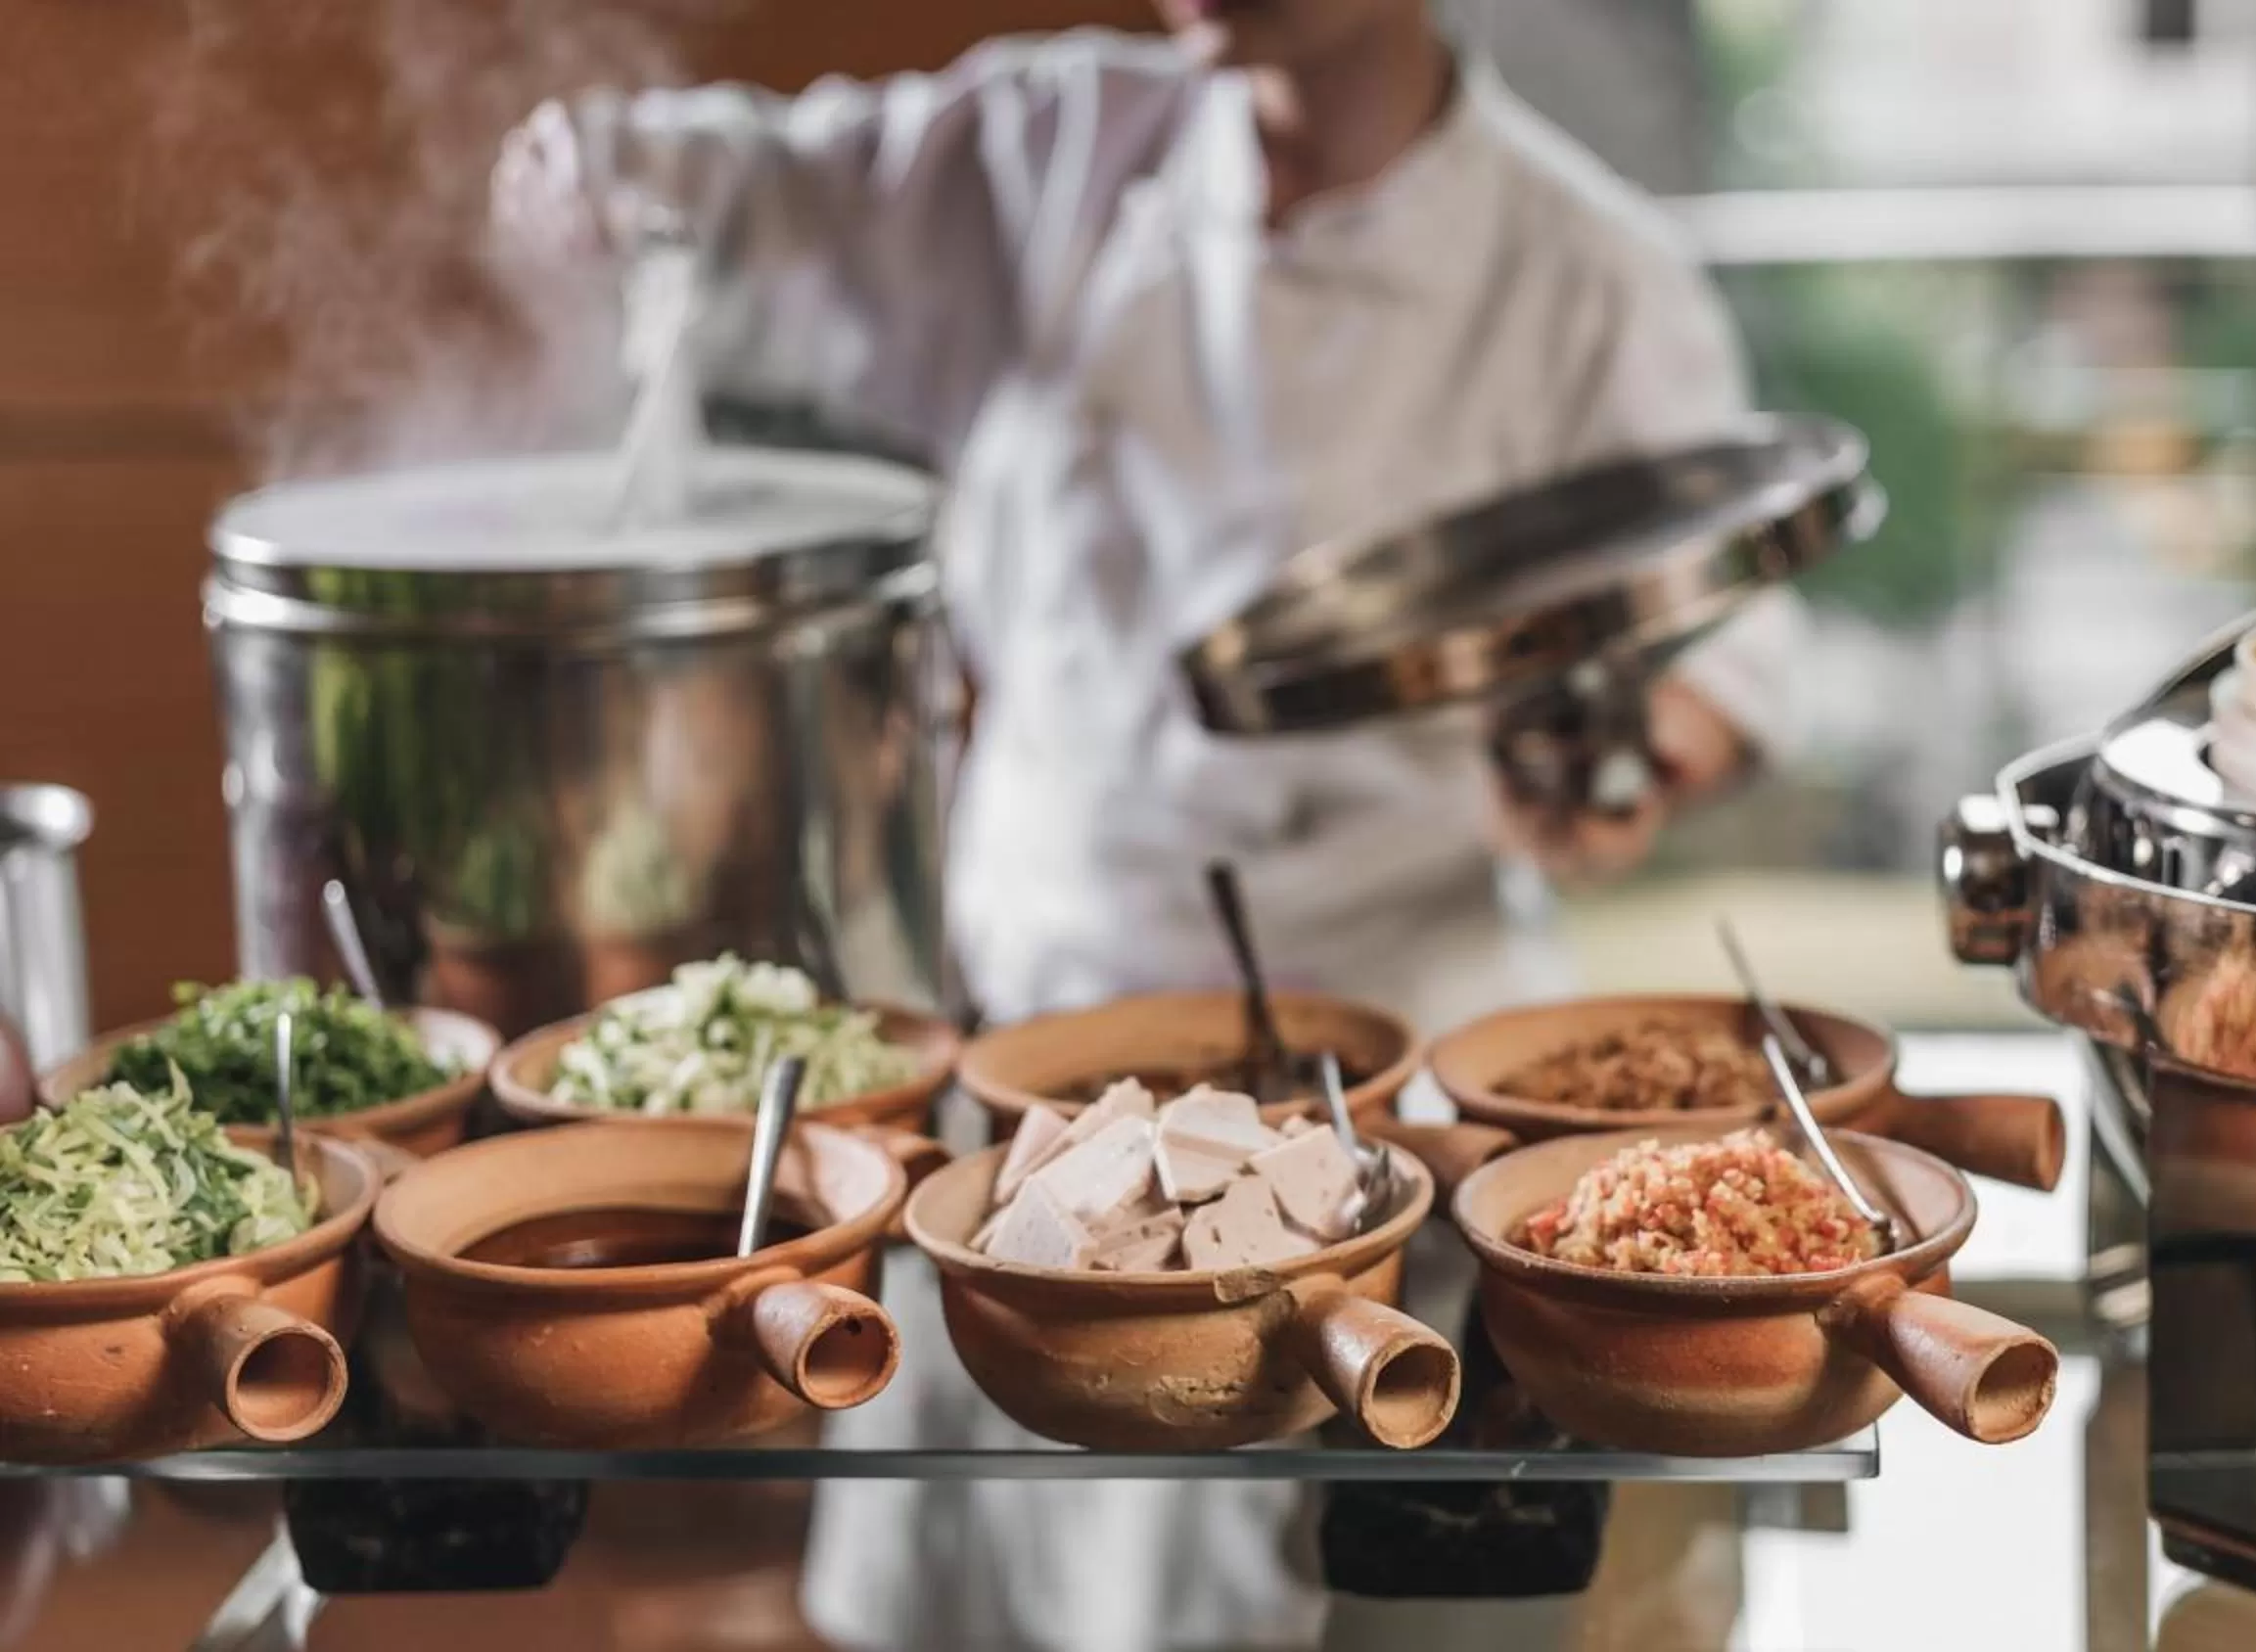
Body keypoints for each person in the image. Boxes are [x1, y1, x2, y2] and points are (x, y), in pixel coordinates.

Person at [497, 1, 1795, 1646]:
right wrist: (596, 173)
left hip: (1376, 1080)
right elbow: (763, 190)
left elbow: (1717, 648)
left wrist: (1627, 763)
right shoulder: (1052, 149)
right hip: (1021, 1071)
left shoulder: (1584, 267)